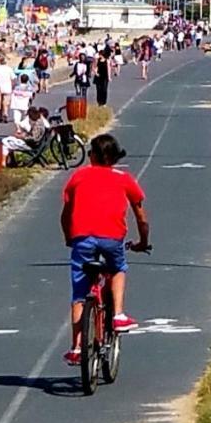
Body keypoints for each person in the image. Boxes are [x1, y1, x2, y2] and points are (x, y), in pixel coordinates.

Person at [59, 134, 151, 366]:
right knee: (118, 267)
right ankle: (118, 315)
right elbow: (141, 217)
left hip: (82, 238)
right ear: (114, 158)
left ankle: (77, 347)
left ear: (91, 156)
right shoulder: (124, 178)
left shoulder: (78, 176)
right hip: (112, 237)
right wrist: (142, 241)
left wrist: (70, 238)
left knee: (79, 294)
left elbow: (65, 214)